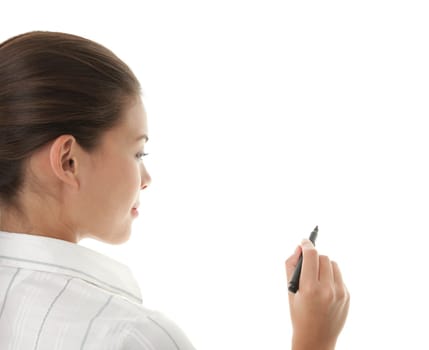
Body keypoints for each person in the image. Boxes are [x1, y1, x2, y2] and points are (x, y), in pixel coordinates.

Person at [0, 31, 350, 350]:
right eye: (138, 153)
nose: (146, 177)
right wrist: (315, 338)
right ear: (68, 161)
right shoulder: (130, 337)